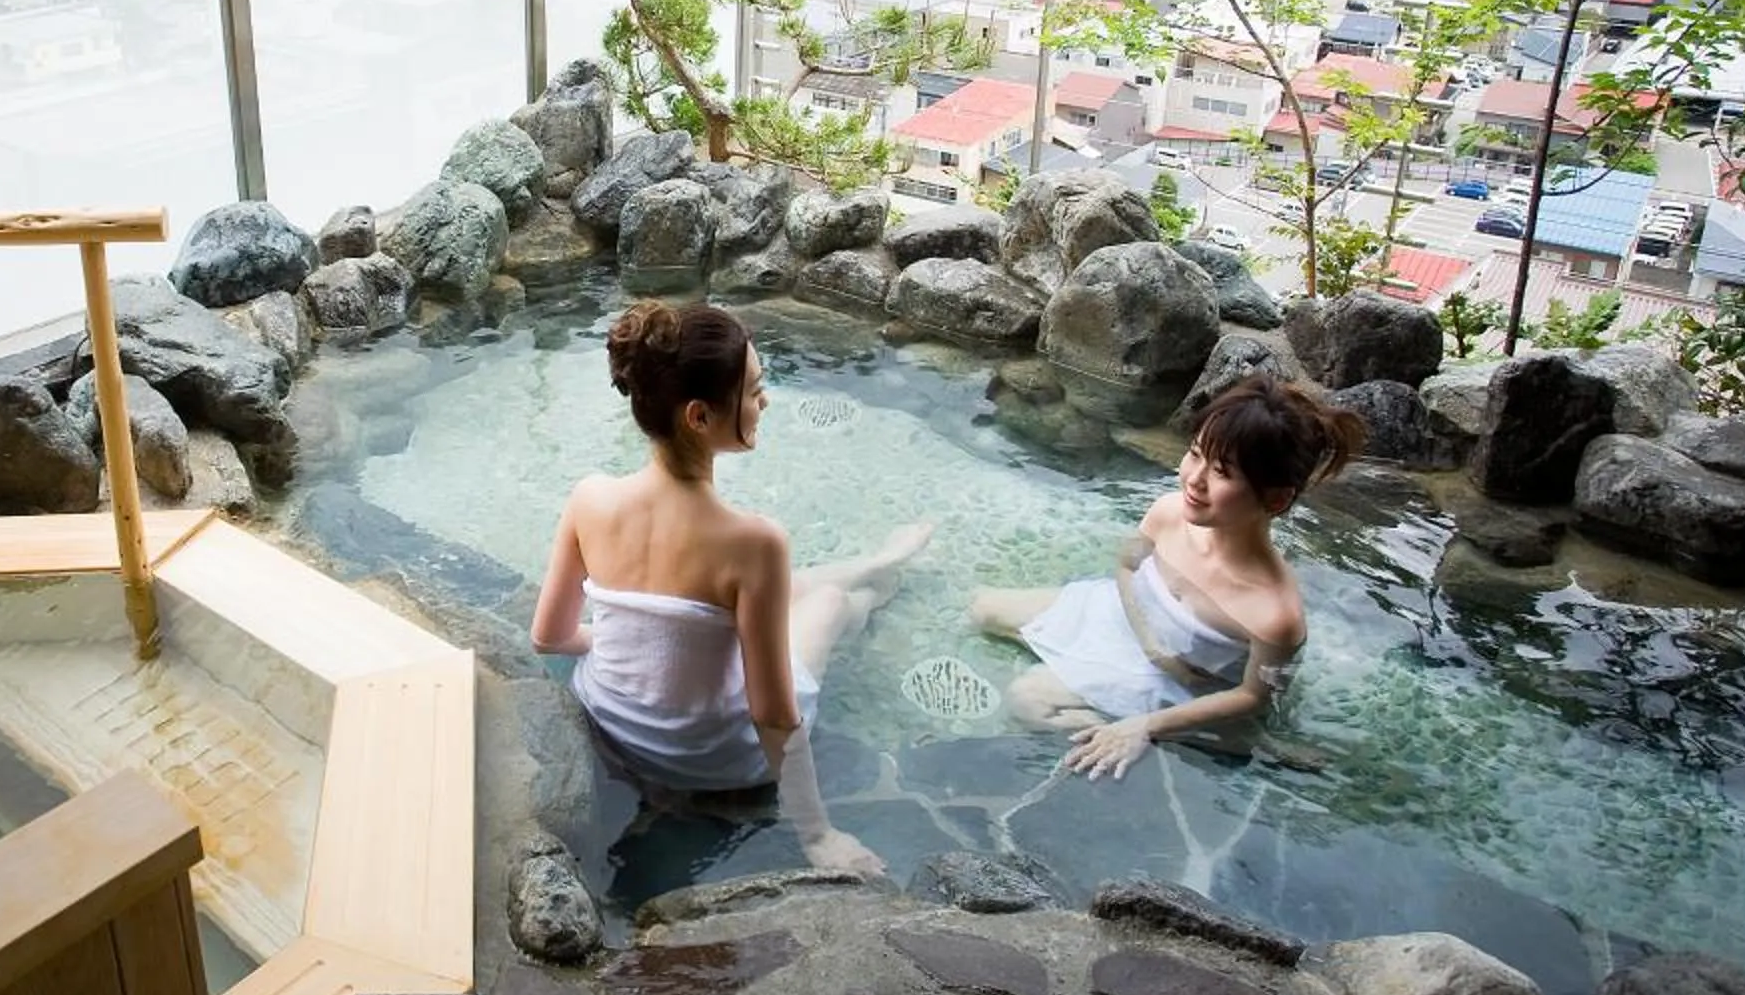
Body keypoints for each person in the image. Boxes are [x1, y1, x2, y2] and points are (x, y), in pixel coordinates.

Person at [530, 299, 932, 876]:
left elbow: (550, 636)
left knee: (758, 599)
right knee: (834, 601)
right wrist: (817, 836)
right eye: (752, 391)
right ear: (699, 416)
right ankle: (877, 577)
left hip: (615, 726)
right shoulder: (755, 542)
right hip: (717, 759)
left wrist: (633, 641)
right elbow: (772, 715)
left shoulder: (589, 498)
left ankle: (875, 564)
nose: (763, 402)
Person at [971, 375, 1362, 779]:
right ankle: (1106, 689)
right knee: (982, 609)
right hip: (1132, 624)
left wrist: (1146, 722)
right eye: (1195, 454)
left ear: (1276, 499)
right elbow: (1126, 567)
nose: (1194, 478)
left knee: (1025, 700)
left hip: (1176, 680)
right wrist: (1153, 645)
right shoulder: (1168, 513)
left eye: (1222, 472)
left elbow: (1253, 697)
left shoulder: (1273, 613)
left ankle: (1163, 734)